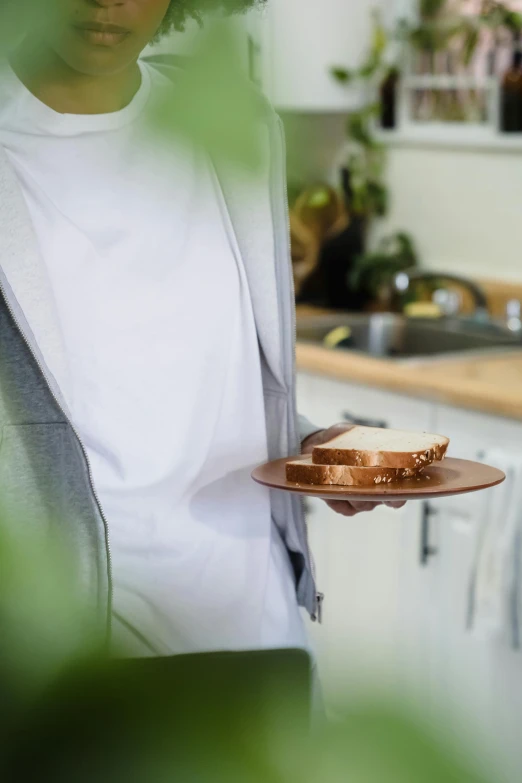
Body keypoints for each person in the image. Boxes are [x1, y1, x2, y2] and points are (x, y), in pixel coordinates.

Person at [0, 0, 402, 658]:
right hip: (75, 662)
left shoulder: (234, 125)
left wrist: (305, 442)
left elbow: (196, 372)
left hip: (259, 633)